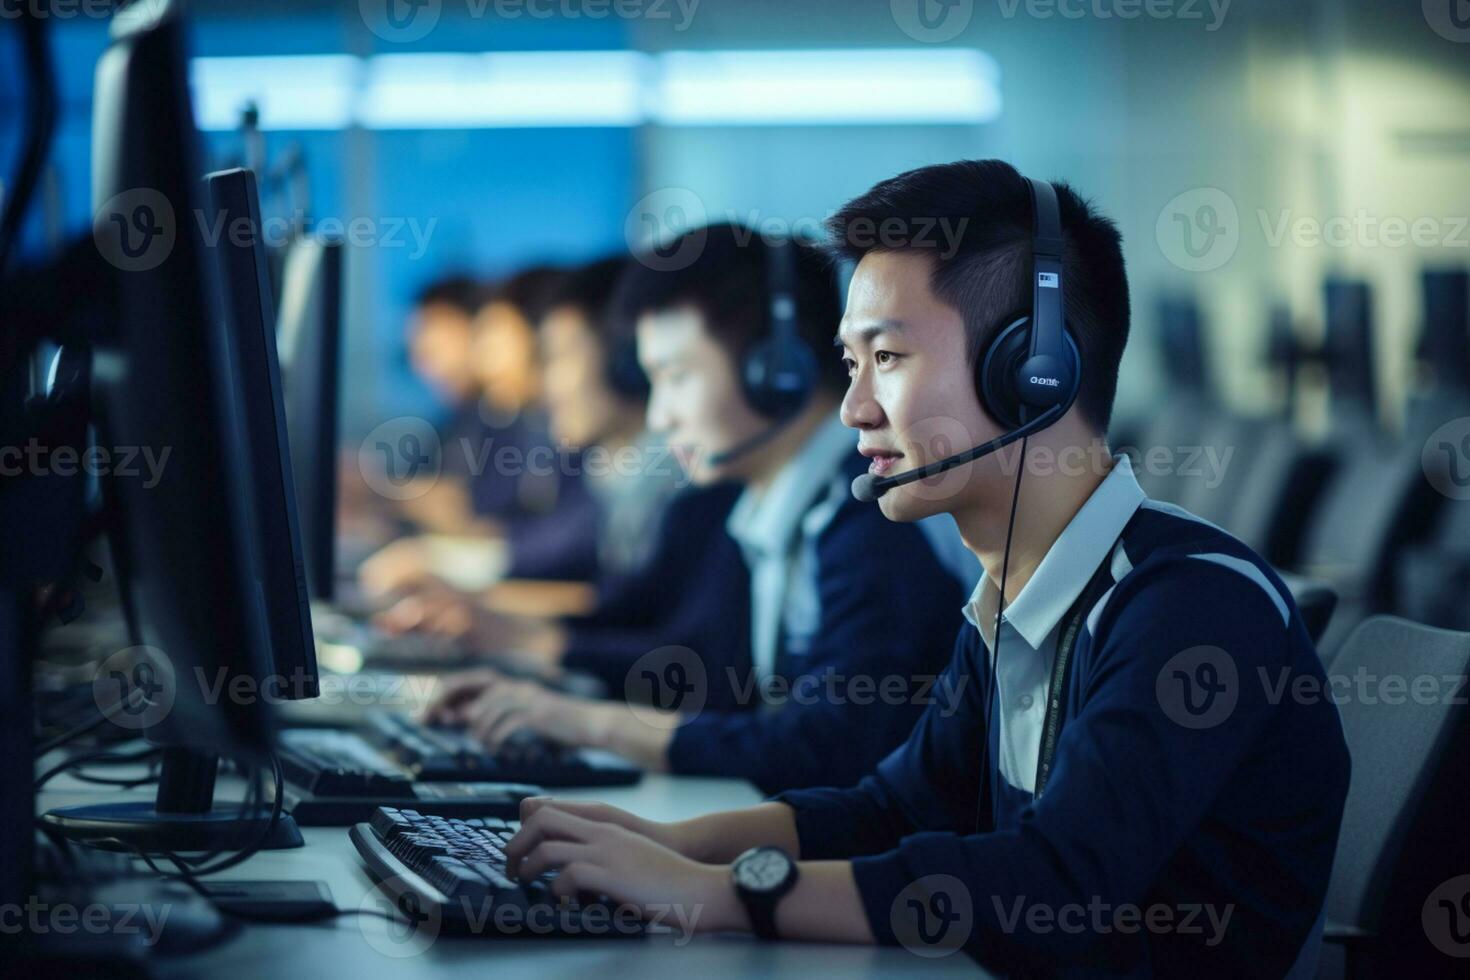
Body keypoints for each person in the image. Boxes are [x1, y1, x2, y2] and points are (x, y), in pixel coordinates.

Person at [496, 162, 1352, 975]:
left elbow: (1053, 883)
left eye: (890, 358)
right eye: (849, 363)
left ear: (1033, 372)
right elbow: (891, 808)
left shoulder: (1188, 607)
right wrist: (664, 843)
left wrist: (713, 893)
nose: (851, 407)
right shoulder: (1010, 602)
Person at [422, 225, 973, 794]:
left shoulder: (869, 523)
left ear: (776, 369)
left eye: (676, 377)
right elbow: (716, 675)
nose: (660, 418)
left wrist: (588, 724)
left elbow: (828, 747)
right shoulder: (770, 509)